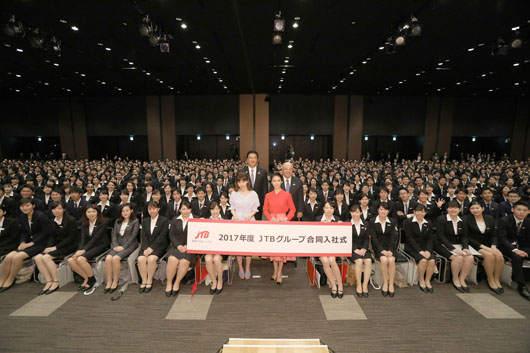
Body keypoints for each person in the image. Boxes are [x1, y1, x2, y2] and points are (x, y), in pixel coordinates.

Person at [0, 198, 51, 293]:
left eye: (27, 205)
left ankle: (10, 279)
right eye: (22, 206)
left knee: (17, 258)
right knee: (8, 257)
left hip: (41, 243)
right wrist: (22, 242)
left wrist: (31, 243)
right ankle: (2, 280)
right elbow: (23, 232)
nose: (24, 208)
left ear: (33, 206)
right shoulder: (22, 217)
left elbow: (46, 233)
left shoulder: (41, 216)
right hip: (27, 243)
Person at [34, 201, 80, 295]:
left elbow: (71, 238)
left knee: (46, 257)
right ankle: (49, 281)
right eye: (54, 209)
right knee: (38, 258)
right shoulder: (51, 221)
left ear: (64, 209)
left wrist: (55, 247)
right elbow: (52, 237)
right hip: (57, 246)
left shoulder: (71, 220)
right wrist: (49, 247)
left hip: (70, 246)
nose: (56, 211)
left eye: (59, 208)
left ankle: (56, 281)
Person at [262, 173, 297, 284]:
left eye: (278, 180)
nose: (276, 182)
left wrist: (286, 218)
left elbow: (292, 209)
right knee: (274, 248)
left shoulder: (287, 195)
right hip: (272, 222)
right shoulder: (268, 195)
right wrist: (270, 218)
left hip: (283, 223)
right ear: (271, 182)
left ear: (281, 182)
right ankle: (275, 271)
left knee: (281, 249)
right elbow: (265, 210)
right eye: (274, 180)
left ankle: (280, 272)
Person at [463, 200, 503, 294]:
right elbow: (466, 237)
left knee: (499, 256)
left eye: (477, 208)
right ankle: (490, 279)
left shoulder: (489, 218)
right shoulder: (466, 219)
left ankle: (496, 279)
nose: (475, 210)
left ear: (482, 208)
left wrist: (493, 246)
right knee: (489, 256)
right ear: (469, 210)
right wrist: (485, 248)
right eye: (472, 208)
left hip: (489, 244)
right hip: (474, 245)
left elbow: (494, 234)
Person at [434, 201, 474, 292]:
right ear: (447, 209)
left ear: (460, 209)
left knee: (470, 257)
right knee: (458, 258)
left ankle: (462, 279)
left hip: (456, 244)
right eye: (450, 207)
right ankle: (455, 279)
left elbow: (464, 236)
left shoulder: (462, 220)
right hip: (440, 243)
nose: (453, 210)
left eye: (456, 208)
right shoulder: (441, 219)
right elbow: (441, 237)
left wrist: (465, 248)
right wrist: (453, 249)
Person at [67, 205, 109, 292]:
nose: (91, 214)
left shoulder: (103, 222)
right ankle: (87, 278)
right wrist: (79, 250)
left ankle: (91, 279)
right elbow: (83, 239)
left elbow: (95, 239)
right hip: (89, 246)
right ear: (85, 213)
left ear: (97, 212)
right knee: (70, 260)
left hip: (100, 245)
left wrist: (83, 250)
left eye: (93, 211)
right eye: (88, 212)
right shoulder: (84, 223)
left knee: (81, 259)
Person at [497, 201, 530, 300]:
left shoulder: (528, 222)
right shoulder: (504, 220)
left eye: (524, 210)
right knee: (517, 256)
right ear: (512, 209)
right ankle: (521, 285)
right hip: (507, 247)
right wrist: (515, 250)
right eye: (519, 209)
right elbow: (502, 239)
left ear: (528, 211)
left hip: (524, 247)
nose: (521, 212)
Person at [230, 172, 260, 279]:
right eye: (239, 181)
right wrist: (235, 216)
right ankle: (240, 268)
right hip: (237, 221)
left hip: (249, 221)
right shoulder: (234, 193)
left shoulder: (253, 194)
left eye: (243, 181)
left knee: (247, 246)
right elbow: (232, 208)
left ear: (247, 181)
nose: (241, 184)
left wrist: (249, 215)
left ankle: (247, 267)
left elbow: (255, 209)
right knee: (239, 246)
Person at [104, 203, 139, 293]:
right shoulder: (117, 221)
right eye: (123, 211)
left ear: (131, 211)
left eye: (127, 210)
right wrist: (115, 246)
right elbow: (114, 234)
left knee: (116, 258)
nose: (125, 213)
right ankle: (109, 281)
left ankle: (115, 281)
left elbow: (133, 236)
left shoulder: (135, 221)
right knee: (108, 258)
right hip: (117, 245)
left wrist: (123, 247)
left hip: (130, 245)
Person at [137, 201, 169, 293]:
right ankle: (144, 280)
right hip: (147, 246)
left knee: (151, 259)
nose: (152, 211)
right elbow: (144, 237)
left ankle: (150, 280)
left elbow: (162, 236)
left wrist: (151, 248)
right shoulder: (145, 221)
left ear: (158, 209)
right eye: (150, 209)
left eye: (154, 208)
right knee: (141, 259)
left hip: (160, 246)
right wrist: (146, 248)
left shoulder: (164, 220)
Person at [404, 204, 436, 293]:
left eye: (422, 211)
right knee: (423, 260)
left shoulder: (428, 223)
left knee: (432, 261)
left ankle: (427, 281)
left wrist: (428, 250)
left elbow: (430, 239)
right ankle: (421, 280)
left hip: (425, 248)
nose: (420, 213)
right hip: (412, 247)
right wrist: (420, 251)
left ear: (425, 213)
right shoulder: (408, 222)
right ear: (414, 212)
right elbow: (410, 238)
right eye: (418, 211)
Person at [166, 201, 195, 297]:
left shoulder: (196, 220)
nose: (186, 211)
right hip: (176, 247)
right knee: (172, 260)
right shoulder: (175, 220)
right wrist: (178, 245)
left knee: (184, 262)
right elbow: (172, 235)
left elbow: (197, 235)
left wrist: (188, 245)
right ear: (179, 210)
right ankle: (169, 283)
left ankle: (177, 283)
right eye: (183, 209)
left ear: (191, 209)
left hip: (191, 248)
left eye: (188, 208)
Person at [370, 202, 398, 297]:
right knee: (384, 259)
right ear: (378, 210)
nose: (383, 211)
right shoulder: (372, 221)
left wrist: (390, 250)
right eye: (381, 209)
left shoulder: (392, 221)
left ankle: (391, 284)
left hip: (390, 247)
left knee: (391, 259)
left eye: (385, 209)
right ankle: (385, 283)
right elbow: (374, 238)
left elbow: (393, 238)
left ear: (388, 211)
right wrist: (382, 250)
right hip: (378, 247)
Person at [349, 204, 372, 298]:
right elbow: (347, 239)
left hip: (363, 248)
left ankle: (365, 285)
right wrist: (355, 249)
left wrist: (364, 248)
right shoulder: (347, 223)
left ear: (361, 213)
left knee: (368, 261)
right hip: (351, 249)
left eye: (357, 212)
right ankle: (359, 284)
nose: (355, 214)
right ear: (350, 213)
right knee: (359, 261)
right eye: (353, 212)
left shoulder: (366, 224)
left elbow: (367, 238)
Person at [204, 202, 226, 294]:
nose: (215, 211)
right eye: (213, 209)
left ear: (220, 210)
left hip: (221, 249)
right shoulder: (205, 222)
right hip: (210, 248)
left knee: (217, 259)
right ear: (210, 211)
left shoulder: (225, 221)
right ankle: (214, 281)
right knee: (207, 258)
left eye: (217, 209)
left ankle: (220, 281)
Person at [239, 150, 268, 220]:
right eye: (250, 158)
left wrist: (264, 203)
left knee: (257, 223)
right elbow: (239, 187)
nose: (252, 160)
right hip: (244, 203)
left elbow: (265, 188)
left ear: (257, 159)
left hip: (258, 204)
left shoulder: (263, 171)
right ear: (247, 160)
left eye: (254, 158)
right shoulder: (241, 171)